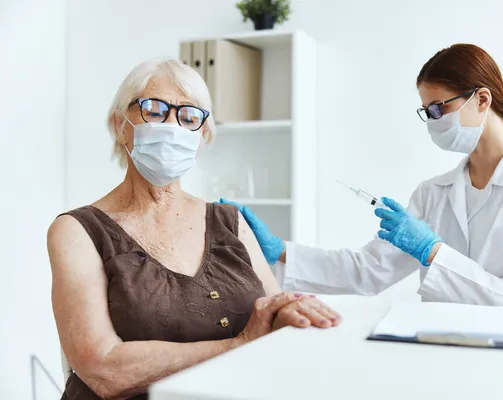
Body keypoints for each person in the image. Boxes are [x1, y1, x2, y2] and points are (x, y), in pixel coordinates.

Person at [47, 58, 341, 400]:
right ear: (120, 124)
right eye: (154, 110)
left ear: (202, 135)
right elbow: (103, 368)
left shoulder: (230, 221)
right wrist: (239, 344)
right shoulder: (76, 231)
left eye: (188, 117)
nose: (172, 126)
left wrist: (292, 313)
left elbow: (271, 314)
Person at [221, 43, 503, 312]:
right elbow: (366, 270)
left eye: (440, 107)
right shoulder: (433, 193)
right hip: (438, 347)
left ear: (482, 99)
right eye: (427, 111)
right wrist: (279, 250)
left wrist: (434, 252)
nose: (434, 119)